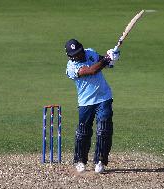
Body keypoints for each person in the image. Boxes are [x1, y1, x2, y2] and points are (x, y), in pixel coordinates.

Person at [65, 39, 120, 173]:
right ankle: (80, 160)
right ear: (70, 56)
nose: (79, 55)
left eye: (80, 52)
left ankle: (100, 160)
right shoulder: (71, 68)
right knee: (83, 132)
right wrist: (106, 60)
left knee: (104, 129)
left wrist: (112, 57)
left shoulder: (90, 52)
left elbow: (105, 64)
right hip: (86, 102)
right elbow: (91, 70)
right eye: (75, 54)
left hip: (104, 97)